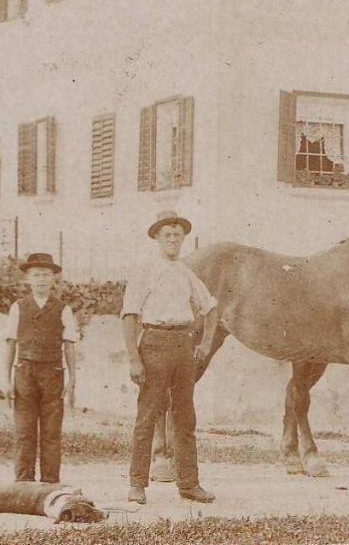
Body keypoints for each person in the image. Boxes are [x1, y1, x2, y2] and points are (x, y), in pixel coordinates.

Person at [122, 210, 219, 504]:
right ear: (157, 238)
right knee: (148, 415)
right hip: (154, 343)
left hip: (183, 345)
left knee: (185, 417)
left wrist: (205, 344)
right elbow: (129, 315)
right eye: (168, 235)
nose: (173, 240)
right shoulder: (144, 270)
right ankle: (138, 483)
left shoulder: (186, 273)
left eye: (178, 235)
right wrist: (133, 358)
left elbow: (211, 308)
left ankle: (189, 484)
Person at [4, 252, 77, 485]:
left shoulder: (63, 309)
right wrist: (6, 379)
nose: (41, 280)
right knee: (24, 431)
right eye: (36, 275)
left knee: (51, 432)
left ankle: (49, 483)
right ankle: (23, 483)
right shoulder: (18, 307)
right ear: (27, 279)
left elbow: (69, 345)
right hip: (24, 373)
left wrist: (73, 379)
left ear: (54, 278)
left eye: (46, 275)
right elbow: (10, 343)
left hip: (53, 373)